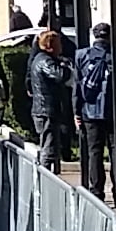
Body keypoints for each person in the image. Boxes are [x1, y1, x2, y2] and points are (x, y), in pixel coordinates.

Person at [77, 22, 116, 201]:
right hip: (114, 112)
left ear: (94, 36)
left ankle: (96, 191)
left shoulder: (82, 56)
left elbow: (77, 87)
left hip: (90, 111)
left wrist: (76, 111)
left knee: (94, 152)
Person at [30, 23, 79, 167]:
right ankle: (44, 175)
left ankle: (51, 171)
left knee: (52, 145)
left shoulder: (45, 59)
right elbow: (60, 75)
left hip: (47, 109)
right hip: (46, 110)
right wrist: (67, 68)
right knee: (49, 147)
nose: (61, 47)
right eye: (58, 43)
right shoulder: (44, 60)